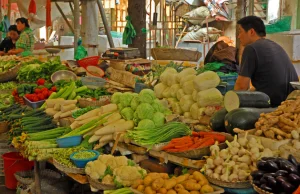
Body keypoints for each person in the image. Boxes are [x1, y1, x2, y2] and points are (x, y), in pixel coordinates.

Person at [234, 16, 299, 107]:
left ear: (251, 32)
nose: (238, 36)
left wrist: (230, 103)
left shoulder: (251, 48)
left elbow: (241, 87)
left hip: (273, 104)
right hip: (291, 102)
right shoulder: (274, 45)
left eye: (240, 31)